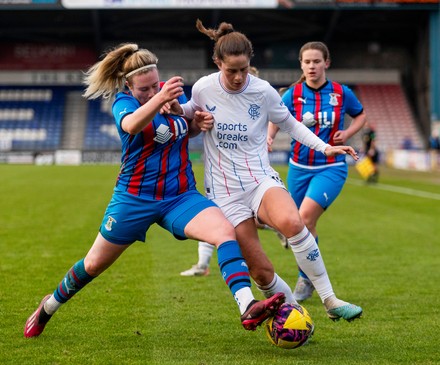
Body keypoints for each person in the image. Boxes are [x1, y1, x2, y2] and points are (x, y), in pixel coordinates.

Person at [23, 43, 287, 338]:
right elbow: (133, 125)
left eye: (154, 85)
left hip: (180, 195)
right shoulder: (123, 102)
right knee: (93, 264)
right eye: (144, 89)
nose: (151, 92)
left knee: (225, 232)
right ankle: (48, 307)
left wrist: (196, 122)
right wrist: (159, 99)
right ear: (128, 85)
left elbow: (188, 128)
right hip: (134, 199)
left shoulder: (171, 93)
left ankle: (247, 305)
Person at [174, 19, 363, 322]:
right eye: (231, 70)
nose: (238, 77)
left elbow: (291, 124)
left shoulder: (263, 92)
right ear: (217, 62)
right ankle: (296, 315)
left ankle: (330, 299)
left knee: (293, 221)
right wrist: (179, 112)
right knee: (261, 272)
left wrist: (325, 147)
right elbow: (185, 117)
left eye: (243, 70)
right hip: (225, 192)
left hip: (259, 178)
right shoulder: (203, 88)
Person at [267, 41, 367, 302]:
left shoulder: (341, 93)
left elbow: (361, 116)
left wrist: (348, 133)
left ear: (326, 63)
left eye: (316, 61)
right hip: (298, 167)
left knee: (305, 217)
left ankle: (305, 279)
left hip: (330, 168)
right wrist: (268, 138)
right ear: (301, 64)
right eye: (307, 62)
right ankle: (309, 275)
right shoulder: (293, 94)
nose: (312, 66)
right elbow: (276, 118)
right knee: (300, 226)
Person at [180, 65, 287, 277]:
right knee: (217, 216)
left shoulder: (259, 98)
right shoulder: (217, 96)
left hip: (252, 174)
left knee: (226, 217)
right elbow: (193, 114)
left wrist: (268, 136)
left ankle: (277, 228)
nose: (239, 81)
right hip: (223, 175)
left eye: (244, 75)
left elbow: (278, 119)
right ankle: (203, 264)